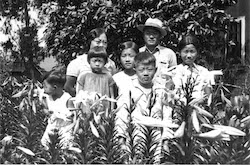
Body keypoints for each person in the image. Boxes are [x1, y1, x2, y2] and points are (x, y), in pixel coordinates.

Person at [116, 52, 173, 164]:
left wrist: (166, 140)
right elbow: (122, 114)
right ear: (135, 69)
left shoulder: (161, 90)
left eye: (149, 69)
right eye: (141, 70)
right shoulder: (128, 89)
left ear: (156, 70)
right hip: (134, 136)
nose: (146, 73)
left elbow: (167, 116)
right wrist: (121, 139)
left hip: (155, 137)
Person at [64, 28, 117, 97]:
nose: (102, 45)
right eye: (98, 42)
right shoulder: (77, 63)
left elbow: (112, 87)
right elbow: (68, 87)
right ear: (90, 42)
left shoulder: (111, 64)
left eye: (105, 42)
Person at [171, 34, 213, 100]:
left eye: (192, 51)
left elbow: (208, 96)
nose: (189, 55)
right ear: (180, 52)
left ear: (197, 52)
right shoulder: (173, 72)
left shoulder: (203, 72)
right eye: (185, 51)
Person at [40, 70, 74, 150]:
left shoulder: (67, 99)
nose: (43, 89)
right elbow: (45, 108)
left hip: (65, 128)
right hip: (51, 127)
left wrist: (66, 115)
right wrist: (46, 112)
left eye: (45, 87)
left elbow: (73, 114)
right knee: (45, 146)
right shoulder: (47, 97)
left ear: (55, 87)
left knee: (64, 148)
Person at [137, 17, 177, 82]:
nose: (151, 37)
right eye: (148, 33)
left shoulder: (169, 53)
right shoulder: (138, 53)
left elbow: (174, 76)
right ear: (143, 35)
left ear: (160, 36)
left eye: (154, 33)